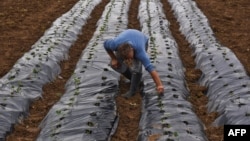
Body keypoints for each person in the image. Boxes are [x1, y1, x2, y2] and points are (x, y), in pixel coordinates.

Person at [103, 29, 164, 98]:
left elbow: (151, 69)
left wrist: (159, 85)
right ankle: (135, 80)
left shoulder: (140, 52)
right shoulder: (114, 44)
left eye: (130, 57)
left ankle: (132, 91)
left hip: (142, 39)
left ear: (132, 50)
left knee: (137, 68)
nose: (129, 60)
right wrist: (114, 58)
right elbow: (105, 44)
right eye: (126, 58)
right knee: (114, 64)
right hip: (126, 38)